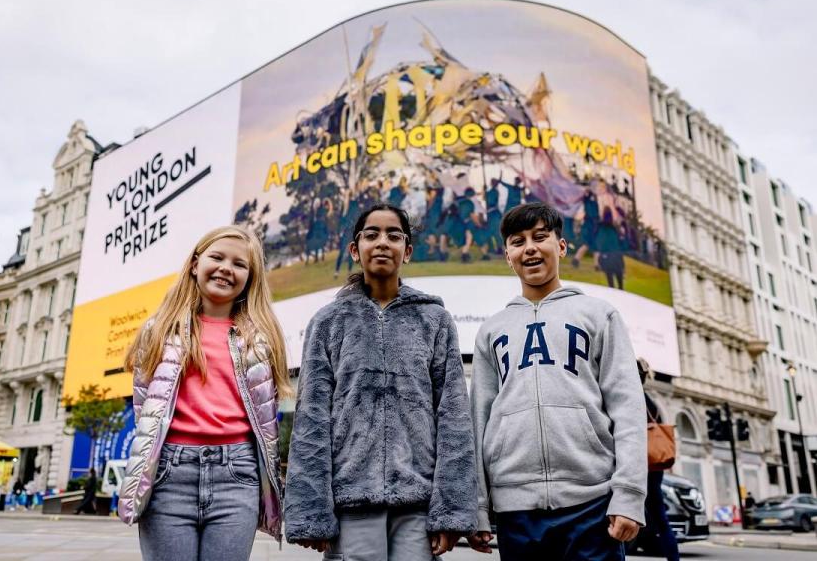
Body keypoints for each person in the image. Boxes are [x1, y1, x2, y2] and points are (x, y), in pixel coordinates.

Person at [285, 204, 477, 560]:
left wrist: (451, 510)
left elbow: (453, 418)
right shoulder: (328, 322)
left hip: (417, 504)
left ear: (408, 251)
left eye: (394, 235)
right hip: (351, 501)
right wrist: (311, 512)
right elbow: (311, 421)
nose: (382, 242)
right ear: (355, 250)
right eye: (371, 234)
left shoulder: (435, 320)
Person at [469, 202, 647, 560]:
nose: (530, 248)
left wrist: (628, 494)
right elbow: (478, 420)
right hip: (515, 508)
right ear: (508, 255)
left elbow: (627, 409)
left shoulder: (600, 315)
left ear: (561, 247)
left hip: (592, 502)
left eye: (540, 237)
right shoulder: (492, 330)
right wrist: (476, 507)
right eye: (518, 241)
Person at [117, 226, 293, 561]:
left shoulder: (260, 338)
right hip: (169, 474)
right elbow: (145, 410)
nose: (227, 267)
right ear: (196, 264)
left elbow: (267, 415)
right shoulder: (159, 329)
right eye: (217, 257)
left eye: (240, 264)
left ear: (250, 278)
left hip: (238, 476)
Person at [638, 358, 680, 561]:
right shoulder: (652, 403)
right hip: (654, 466)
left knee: (619, 515)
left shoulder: (629, 398)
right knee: (660, 519)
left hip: (637, 464)